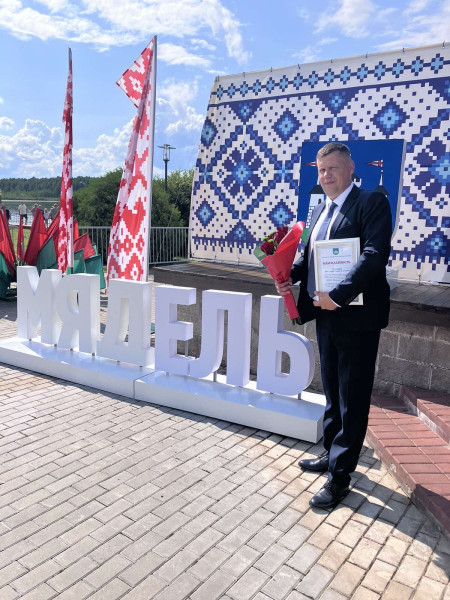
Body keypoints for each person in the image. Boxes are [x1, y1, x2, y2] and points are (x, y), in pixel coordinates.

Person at [276, 142, 392, 509]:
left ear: (350, 169)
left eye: (333, 168)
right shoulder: (319, 211)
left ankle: (340, 477)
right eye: (322, 169)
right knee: (332, 391)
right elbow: (310, 258)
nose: (326, 175)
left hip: (356, 316)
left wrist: (338, 295)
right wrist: (287, 274)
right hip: (325, 314)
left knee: (352, 396)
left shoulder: (371, 203)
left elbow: (374, 256)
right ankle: (331, 452)